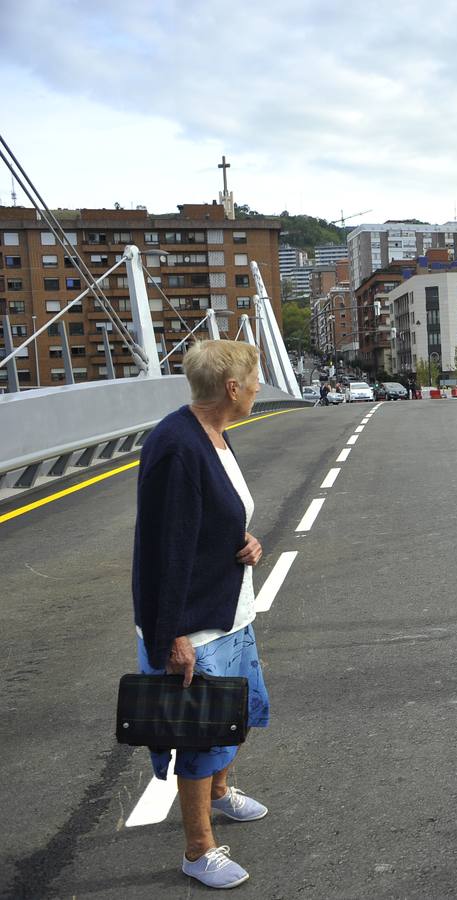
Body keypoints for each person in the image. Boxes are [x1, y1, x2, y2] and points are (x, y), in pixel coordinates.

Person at [132, 340, 272, 888]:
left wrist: (243, 541)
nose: (260, 387)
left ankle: (220, 791)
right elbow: (163, 548)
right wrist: (172, 636)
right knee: (199, 731)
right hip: (195, 623)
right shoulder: (176, 445)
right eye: (254, 379)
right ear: (233, 388)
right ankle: (197, 848)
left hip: (229, 606)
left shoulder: (213, 435)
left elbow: (206, 518)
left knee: (231, 715)